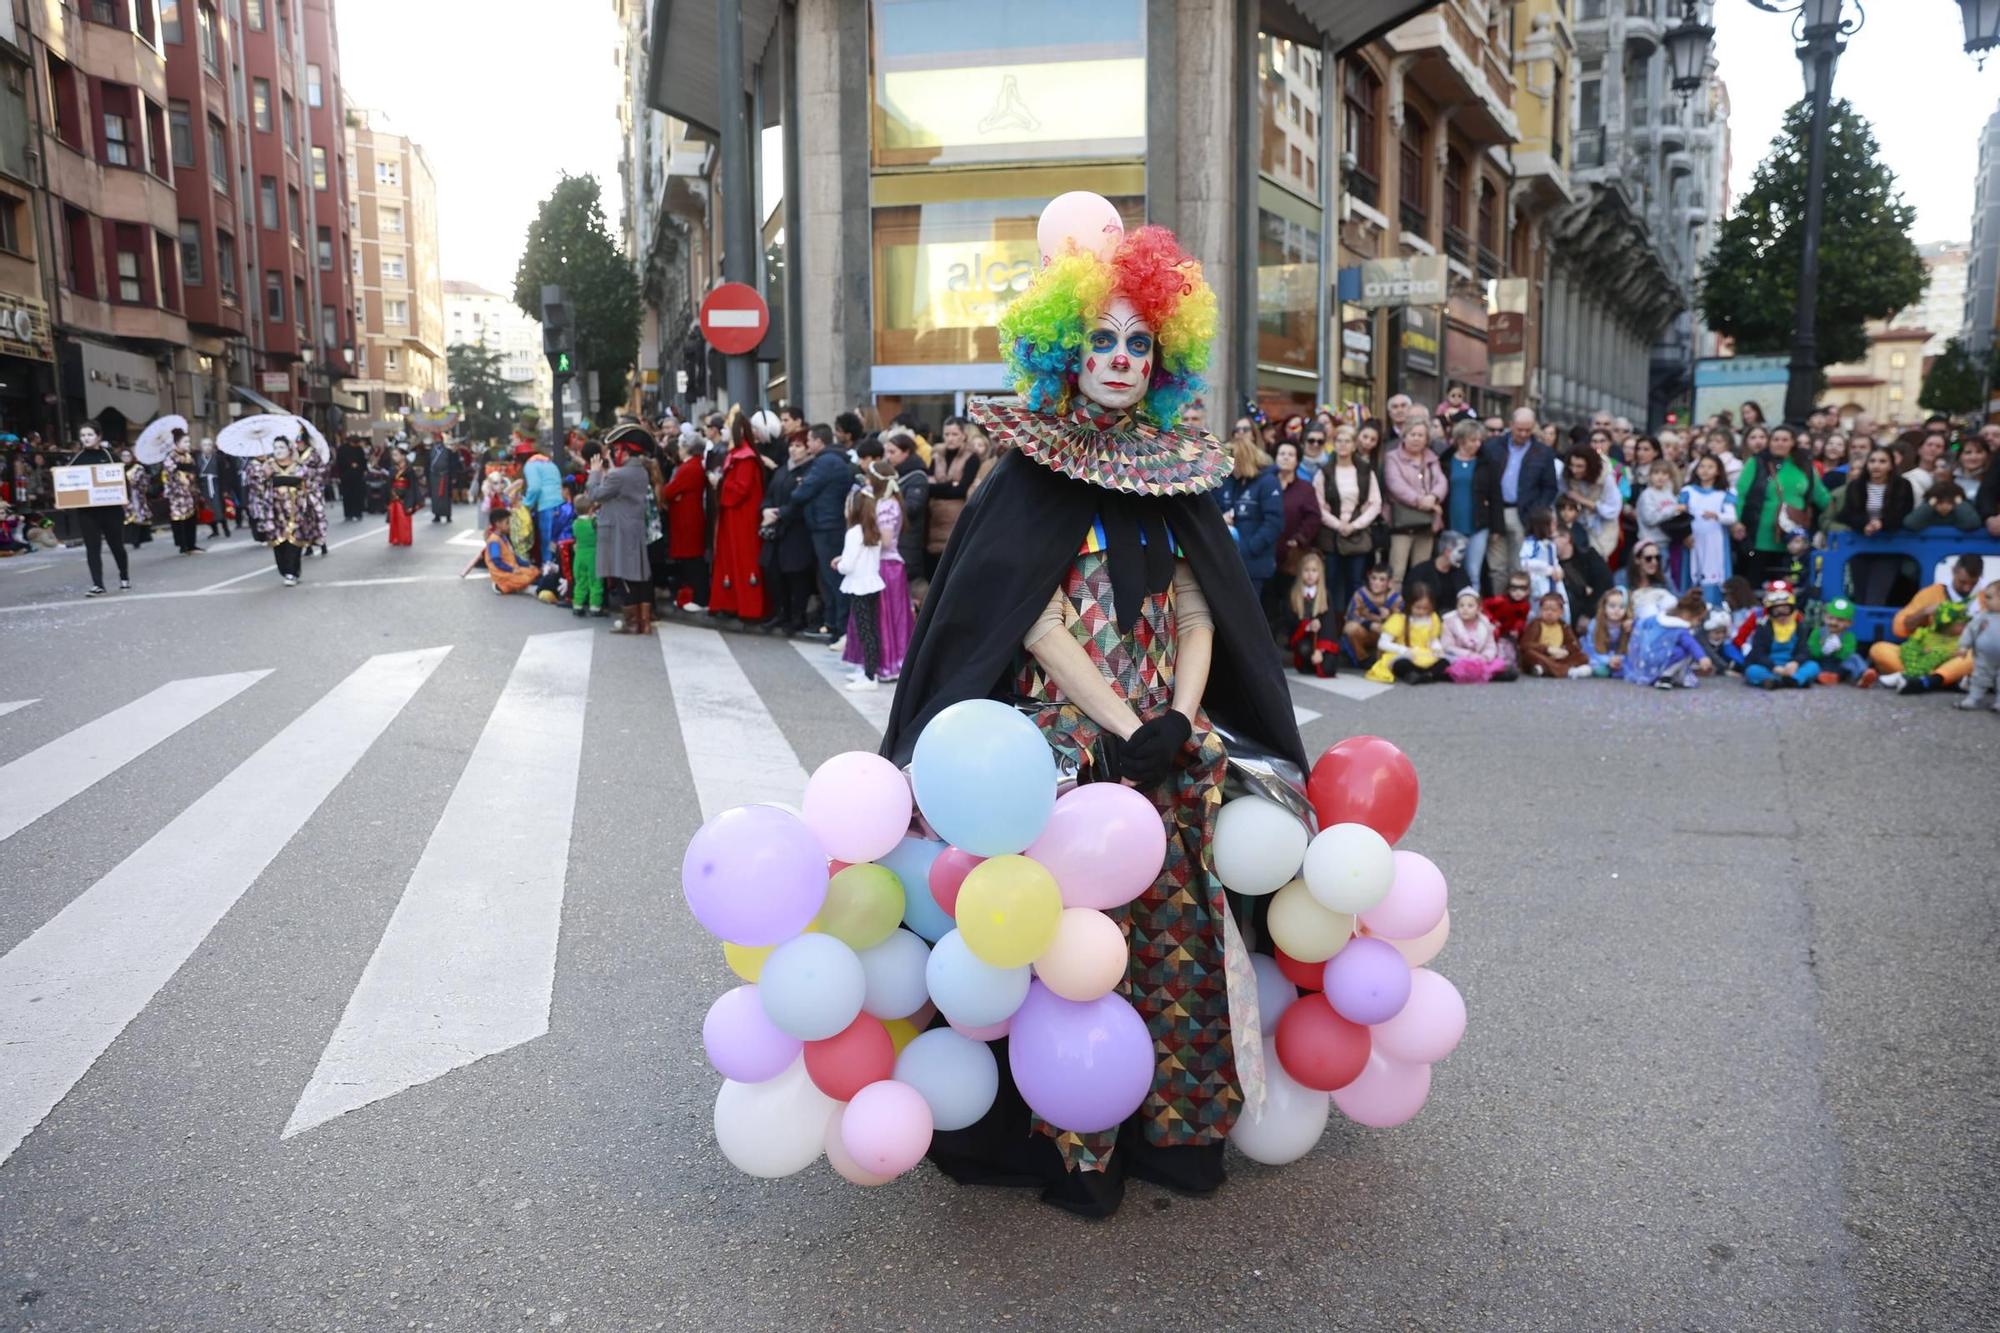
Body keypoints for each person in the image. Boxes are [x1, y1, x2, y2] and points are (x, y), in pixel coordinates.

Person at [882, 212, 1301, 1218]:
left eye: (1137, 342)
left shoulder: (1175, 473)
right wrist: (1121, 723)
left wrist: (1178, 719)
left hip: (1167, 750)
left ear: (1164, 354)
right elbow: (1031, 619)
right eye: (1100, 340)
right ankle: (1078, 1146)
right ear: (1064, 351)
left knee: (1179, 945)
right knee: (1077, 956)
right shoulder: (1024, 475)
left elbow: (1201, 607)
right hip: (1066, 760)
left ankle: (1175, 1132)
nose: (1118, 358)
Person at [1871, 555, 1985, 695]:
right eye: (1962, 582)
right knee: (1879, 649)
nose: (1967, 588)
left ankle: (1924, 680)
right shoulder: (1931, 593)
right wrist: (1925, 612)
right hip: (1925, 652)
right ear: (1953, 571)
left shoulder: (1986, 598)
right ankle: (1944, 680)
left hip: (1959, 654)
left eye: (1972, 583)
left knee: (1977, 656)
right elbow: (1899, 629)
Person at [843, 459, 913, 682]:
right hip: (876, 563)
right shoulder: (883, 502)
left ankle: (884, 665)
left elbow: (886, 539)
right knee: (871, 620)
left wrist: (859, 537)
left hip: (885, 566)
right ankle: (870, 663)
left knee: (882, 618)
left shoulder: (887, 505)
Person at [786, 423, 856, 644]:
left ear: (819, 441)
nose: (807, 445)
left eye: (808, 440)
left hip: (827, 526)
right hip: (829, 524)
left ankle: (839, 628)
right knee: (830, 579)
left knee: (833, 578)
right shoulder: (834, 460)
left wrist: (799, 487)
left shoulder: (825, 462)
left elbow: (803, 492)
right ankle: (834, 624)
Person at [1734, 425, 1829, 587]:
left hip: (1794, 539)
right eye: (1775, 439)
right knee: (1756, 583)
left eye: (1785, 440)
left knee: (1789, 585)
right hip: (1758, 536)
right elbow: (1740, 494)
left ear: (1793, 443)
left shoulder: (1804, 466)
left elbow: (1821, 496)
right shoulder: (1756, 463)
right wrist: (1736, 521)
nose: (1780, 443)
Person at [587, 424, 657, 634]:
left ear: (625, 451)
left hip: (618, 529)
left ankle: (631, 623)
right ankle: (643, 622)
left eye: (617, 450)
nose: (615, 454)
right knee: (639, 576)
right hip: (634, 528)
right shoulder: (640, 471)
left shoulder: (620, 475)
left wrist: (595, 474)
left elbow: (595, 495)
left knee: (623, 576)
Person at [1481, 408, 1558, 589]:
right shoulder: (1492, 447)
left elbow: (1550, 487)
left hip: (1524, 513)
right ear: (1510, 426)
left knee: (1520, 565)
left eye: (1528, 430)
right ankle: (1499, 604)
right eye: (1519, 429)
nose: (1523, 434)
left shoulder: (1543, 453)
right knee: (1497, 566)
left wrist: (1537, 511)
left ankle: (1519, 607)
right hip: (1496, 511)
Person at [1313, 423, 1380, 618]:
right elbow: (1318, 504)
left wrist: (1354, 525)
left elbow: (1375, 503)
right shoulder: (1324, 471)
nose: (1343, 445)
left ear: (1354, 445)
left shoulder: (1366, 470)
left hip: (1357, 536)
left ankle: (1354, 624)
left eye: (1347, 441)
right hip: (1331, 536)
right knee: (1332, 583)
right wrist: (1338, 525)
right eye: (1339, 441)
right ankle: (1332, 629)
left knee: (1355, 583)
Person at [709, 416, 769, 621]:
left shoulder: (746, 458)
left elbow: (741, 489)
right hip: (732, 513)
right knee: (729, 557)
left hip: (742, 515)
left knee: (744, 557)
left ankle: (748, 607)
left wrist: (720, 483)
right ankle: (731, 603)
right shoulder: (736, 455)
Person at [760, 432, 818, 633]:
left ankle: (797, 616)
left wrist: (779, 514)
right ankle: (780, 613)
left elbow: (801, 501)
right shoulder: (783, 470)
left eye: (799, 446)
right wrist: (766, 508)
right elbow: (769, 494)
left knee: (796, 576)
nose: (793, 449)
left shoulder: (810, 470)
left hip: (796, 530)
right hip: (775, 529)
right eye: (791, 445)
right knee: (774, 573)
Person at [833, 488, 886, 691]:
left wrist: (839, 564)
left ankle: (870, 676)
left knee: (865, 631)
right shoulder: (873, 530)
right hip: (871, 583)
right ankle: (868, 670)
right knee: (870, 630)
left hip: (859, 587)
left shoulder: (854, 533)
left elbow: (848, 566)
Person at [69, 425, 132, 595]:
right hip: (88, 512)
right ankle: (98, 584)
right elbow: (67, 484)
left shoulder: (110, 457)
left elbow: (123, 481)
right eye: (83, 435)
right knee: (92, 547)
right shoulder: (77, 459)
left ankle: (124, 577)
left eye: (90, 434)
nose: (86, 438)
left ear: (98, 436)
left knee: (116, 545)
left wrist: (125, 498)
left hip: (111, 510)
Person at [1219, 435, 1281, 605]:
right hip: (1234, 562)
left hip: (1254, 562)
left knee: (1252, 612)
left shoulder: (1268, 482)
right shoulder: (1234, 481)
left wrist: (1250, 548)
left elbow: (1274, 523)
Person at [1382, 417, 1444, 581]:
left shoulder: (1432, 458)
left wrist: (1434, 496)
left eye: (1420, 435)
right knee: (1397, 572)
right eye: (1412, 434)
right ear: (1404, 436)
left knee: (1421, 572)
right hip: (1402, 523)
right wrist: (1421, 501)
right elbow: (1395, 485)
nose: (1416, 438)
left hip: (1426, 523)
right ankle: (1395, 605)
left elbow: (1441, 481)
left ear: (1426, 439)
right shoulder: (1392, 457)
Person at [1269, 439, 1321, 627]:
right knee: (1268, 600)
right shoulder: (1266, 483)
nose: (1285, 458)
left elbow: (1314, 517)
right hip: (1266, 551)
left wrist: (1299, 538)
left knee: (1291, 599)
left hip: (1292, 554)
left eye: (1290, 455)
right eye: (1282, 454)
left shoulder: (1305, 489)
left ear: (1297, 460)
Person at [926, 415, 982, 577]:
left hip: (957, 517)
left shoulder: (971, 457)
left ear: (963, 435)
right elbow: (928, 487)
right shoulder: (936, 456)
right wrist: (949, 485)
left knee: (951, 566)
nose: (950, 438)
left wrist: (940, 486)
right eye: (947, 434)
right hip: (934, 517)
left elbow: (961, 490)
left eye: (954, 434)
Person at [1625, 588, 1715, 690]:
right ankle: (1666, 676)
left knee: (1678, 649)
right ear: (1687, 615)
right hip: (1662, 658)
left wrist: (1632, 623)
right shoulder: (1680, 629)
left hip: (1648, 657)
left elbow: (1645, 622)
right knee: (1685, 651)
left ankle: (1668, 674)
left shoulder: (1658, 618)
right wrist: (1701, 657)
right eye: (1698, 619)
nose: (1698, 623)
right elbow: (1691, 644)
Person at [1440, 420, 1494, 590]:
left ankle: (1471, 609)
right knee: (1451, 568)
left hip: (1478, 525)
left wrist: (1497, 526)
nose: (1477, 444)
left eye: (1479, 440)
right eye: (1473, 440)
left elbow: (1495, 495)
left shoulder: (1485, 463)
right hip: (1452, 523)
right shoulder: (1445, 462)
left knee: (1473, 572)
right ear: (1461, 440)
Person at [254, 437, 313, 586]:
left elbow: (308, 485)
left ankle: (292, 573)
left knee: (294, 543)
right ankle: (285, 570)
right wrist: (264, 476)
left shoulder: (299, 467)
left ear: (289, 450)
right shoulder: (268, 467)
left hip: (295, 512)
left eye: (282, 447)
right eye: (276, 448)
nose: (278, 451)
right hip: (275, 513)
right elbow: (257, 488)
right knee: (279, 545)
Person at [1679, 454, 1736, 606]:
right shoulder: (1688, 491)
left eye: (1710, 467)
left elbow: (1731, 517)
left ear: (1718, 471)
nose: (1705, 470)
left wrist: (1716, 515)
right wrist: (1684, 535)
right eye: (1702, 466)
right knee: (1692, 570)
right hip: (1694, 539)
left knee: (1715, 572)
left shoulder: (1724, 493)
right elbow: (1680, 516)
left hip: (1715, 540)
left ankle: (1714, 606)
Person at [1367, 585, 1449, 683]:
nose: (1421, 611)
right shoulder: (1399, 619)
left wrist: (1437, 648)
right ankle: (1415, 674)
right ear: (1410, 604)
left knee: (1444, 662)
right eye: (1418, 607)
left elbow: (1432, 639)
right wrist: (1403, 650)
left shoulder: (1432, 618)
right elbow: (1382, 643)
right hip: (1404, 654)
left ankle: (1428, 675)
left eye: (1425, 608)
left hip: (1425, 654)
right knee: (1401, 664)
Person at [1742, 584, 1820, 689]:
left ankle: (1793, 680)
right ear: (1770, 612)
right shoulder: (1763, 627)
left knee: (1813, 666)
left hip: (1791, 666)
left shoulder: (1800, 627)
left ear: (1792, 610)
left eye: (1785, 610)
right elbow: (1758, 653)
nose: (1781, 615)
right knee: (1752, 671)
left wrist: (1795, 663)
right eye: (1776, 611)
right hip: (1770, 666)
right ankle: (1776, 680)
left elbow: (1804, 650)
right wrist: (1774, 667)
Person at [885, 431, 931, 603]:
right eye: (887, 452)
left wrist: (888, 503)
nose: (888, 457)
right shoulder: (893, 474)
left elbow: (913, 507)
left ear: (906, 452)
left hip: (908, 540)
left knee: (910, 587)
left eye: (892, 452)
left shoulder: (916, 477)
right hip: (896, 540)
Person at [1438, 588, 1515, 683]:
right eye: (1461, 605)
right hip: (1458, 658)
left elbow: (1490, 645)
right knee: (1444, 665)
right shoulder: (1450, 623)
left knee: (1501, 668)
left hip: (1480, 658)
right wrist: (1468, 655)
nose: (1465, 609)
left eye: (1470, 606)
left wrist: (1485, 657)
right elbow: (1447, 646)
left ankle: (1488, 674)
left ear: (1479, 609)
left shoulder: (1485, 625)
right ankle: (1459, 675)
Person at [1562, 442, 1622, 562]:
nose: (1574, 470)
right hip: (1577, 526)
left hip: (1601, 529)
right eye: (1572, 465)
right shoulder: (1568, 477)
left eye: (1579, 466)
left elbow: (1613, 509)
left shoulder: (1606, 479)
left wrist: (1582, 500)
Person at [1285, 551, 1338, 677]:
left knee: (1329, 668)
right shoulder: (1294, 595)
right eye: (1306, 570)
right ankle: (1308, 664)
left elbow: (1329, 623)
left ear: (1320, 574)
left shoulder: (1325, 595)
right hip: (1304, 638)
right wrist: (1307, 626)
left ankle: (1318, 658)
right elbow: (1290, 620)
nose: (1310, 574)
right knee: (1304, 649)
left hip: (1322, 639)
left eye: (1314, 571)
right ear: (1300, 573)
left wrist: (1320, 649)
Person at [1342, 564, 1401, 670]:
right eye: (1374, 578)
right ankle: (1363, 658)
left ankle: (1386, 661)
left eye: (1382, 580)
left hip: (1386, 635)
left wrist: (1388, 617)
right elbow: (1350, 616)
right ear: (1369, 578)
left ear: (1389, 583)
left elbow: (1402, 621)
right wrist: (1369, 624)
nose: (1376, 583)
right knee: (1350, 628)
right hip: (1366, 632)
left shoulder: (1396, 598)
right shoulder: (1360, 594)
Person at [1519, 591, 1587, 678]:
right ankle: (1565, 671)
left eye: (1554, 610)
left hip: (1558, 657)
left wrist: (1564, 650)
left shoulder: (1564, 626)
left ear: (1561, 612)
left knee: (1583, 656)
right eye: (1546, 609)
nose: (1549, 613)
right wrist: (1547, 649)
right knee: (1529, 654)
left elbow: (1574, 645)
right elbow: (1525, 645)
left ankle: (1545, 670)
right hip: (1541, 656)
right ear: (1540, 610)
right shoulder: (1536, 624)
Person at [1956, 579, 2000, 712]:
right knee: (1979, 676)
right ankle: (1973, 698)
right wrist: (1964, 646)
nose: (1985, 600)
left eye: (1989, 597)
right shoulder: (1983, 616)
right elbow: (1970, 630)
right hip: (1984, 655)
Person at [1809, 597, 1871, 686]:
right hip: (1822, 662)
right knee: (1811, 665)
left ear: (1849, 623)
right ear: (1824, 617)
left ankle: (1863, 675)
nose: (1834, 622)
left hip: (1839, 665)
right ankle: (1827, 677)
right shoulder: (1817, 633)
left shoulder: (1849, 636)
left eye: (1840, 620)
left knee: (1854, 658)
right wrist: (1822, 650)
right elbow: (1812, 650)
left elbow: (1848, 653)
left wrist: (1839, 649)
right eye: (1830, 618)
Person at [1402, 529, 1470, 611]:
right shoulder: (1421, 572)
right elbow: (1410, 596)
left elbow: (1467, 595)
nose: (1462, 556)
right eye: (1460, 551)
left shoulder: (1460, 573)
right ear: (1447, 551)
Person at [163, 435, 202, 554]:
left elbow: (194, 470)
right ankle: (183, 545)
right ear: (177, 443)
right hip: (177, 494)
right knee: (180, 518)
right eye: (185, 442)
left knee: (191, 517)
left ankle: (192, 544)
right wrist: (183, 472)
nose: (188, 444)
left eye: (188, 442)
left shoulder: (189, 456)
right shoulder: (171, 456)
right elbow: (171, 472)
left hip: (190, 491)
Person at [568, 493, 605, 617]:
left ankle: (577, 605)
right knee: (595, 581)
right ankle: (595, 607)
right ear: (590, 510)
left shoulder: (575, 524)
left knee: (581, 581)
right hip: (593, 555)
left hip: (579, 556)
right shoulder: (594, 522)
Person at [1585, 587, 1632, 678]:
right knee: (1600, 671)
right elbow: (1591, 649)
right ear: (1604, 607)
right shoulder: (1595, 624)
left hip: (1620, 657)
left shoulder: (1628, 625)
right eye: (1612, 606)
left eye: (1622, 607)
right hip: (1599, 655)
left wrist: (1619, 659)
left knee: (1627, 669)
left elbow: (1633, 649)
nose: (1616, 610)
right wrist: (1608, 660)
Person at [1903, 478, 1980, 533]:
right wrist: (1930, 505)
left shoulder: (1962, 510)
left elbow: (1972, 523)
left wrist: (1960, 503)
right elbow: (1911, 523)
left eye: (1949, 502)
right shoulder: (1927, 510)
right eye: (1940, 502)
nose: (1944, 506)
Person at [196, 437, 232, 539]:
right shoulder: (197, 458)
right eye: (204, 445)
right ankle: (214, 530)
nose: (207, 447)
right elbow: (196, 474)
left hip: (216, 485)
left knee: (219, 507)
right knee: (208, 508)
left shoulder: (218, 458)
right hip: (204, 486)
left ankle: (225, 528)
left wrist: (225, 489)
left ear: (212, 447)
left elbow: (224, 474)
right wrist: (198, 488)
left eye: (209, 445)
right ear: (201, 447)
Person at [121, 446, 153, 547]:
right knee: (126, 517)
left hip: (136, 495)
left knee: (137, 516)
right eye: (123, 456)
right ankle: (127, 539)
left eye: (128, 455)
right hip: (123, 495)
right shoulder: (119, 468)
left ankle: (137, 539)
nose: (126, 458)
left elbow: (143, 482)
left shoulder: (138, 468)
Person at [385, 448, 417, 547]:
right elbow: (389, 483)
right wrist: (390, 495)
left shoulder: (409, 469)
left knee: (405, 518)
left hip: (406, 495)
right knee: (394, 519)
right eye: (393, 455)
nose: (394, 457)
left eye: (396, 455)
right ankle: (395, 538)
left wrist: (412, 500)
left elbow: (412, 485)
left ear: (403, 456)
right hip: (394, 495)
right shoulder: (392, 468)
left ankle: (405, 539)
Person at [336, 435, 369, 521]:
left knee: (358, 495)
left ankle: (358, 513)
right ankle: (348, 514)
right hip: (346, 476)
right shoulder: (342, 449)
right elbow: (339, 462)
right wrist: (350, 464)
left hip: (357, 476)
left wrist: (364, 469)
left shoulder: (359, 449)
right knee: (347, 496)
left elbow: (363, 460)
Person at [426, 436, 458, 523]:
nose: (437, 440)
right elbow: (427, 464)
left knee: (446, 496)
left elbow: (453, 464)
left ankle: (448, 515)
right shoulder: (430, 451)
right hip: (434, 475)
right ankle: (437, 515)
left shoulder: (448, 451)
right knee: (435, 496)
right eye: (436, 439)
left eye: (438, 439)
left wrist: (454, 476)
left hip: (445, 475)